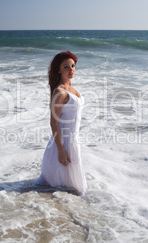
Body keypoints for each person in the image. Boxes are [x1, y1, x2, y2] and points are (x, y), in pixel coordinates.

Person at [34, 51, 87, 195]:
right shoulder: (60, 93)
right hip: (61, 146)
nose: (71, 70)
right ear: (59, 69)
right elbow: (53, 123)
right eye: (66, 67)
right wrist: (61, 151)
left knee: (70, 192)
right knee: (58, 194)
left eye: (73, 66)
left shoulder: (73, 90)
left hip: (72, 142)